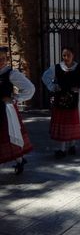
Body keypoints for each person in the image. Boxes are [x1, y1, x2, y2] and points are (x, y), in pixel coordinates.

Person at [42, 47, 80, 158]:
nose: (66, 58)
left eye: (68, 55)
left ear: (73, 55)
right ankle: (61, 149)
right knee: (62, 124)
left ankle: (72, 145)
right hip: (60, 102)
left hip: (74, 102)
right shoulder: (56, 68)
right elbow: (45, 77)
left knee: (72, 123)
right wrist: (53, 86)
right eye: (64, 55)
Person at [0, 46, 35, 174]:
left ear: (7, 59)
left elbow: (30, 88)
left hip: (6, 111)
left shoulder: (11, 74)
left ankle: (20, 161)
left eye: (3, 59)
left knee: (11, 136)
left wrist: (15, 98)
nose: (1, 62)